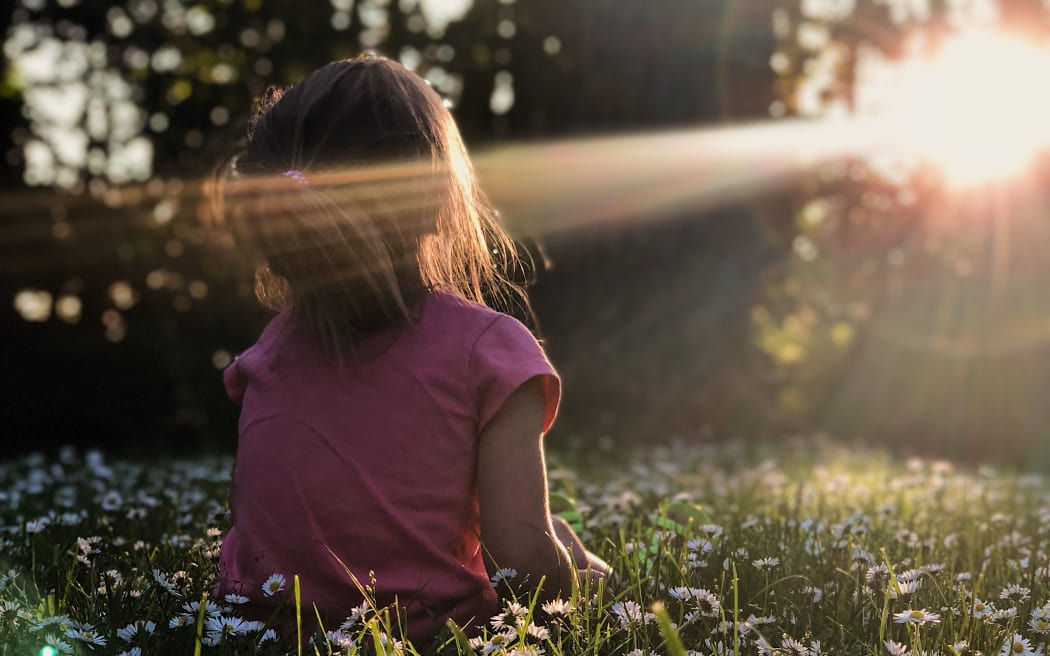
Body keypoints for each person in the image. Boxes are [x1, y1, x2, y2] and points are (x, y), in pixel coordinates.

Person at [210, 54, 612, 643]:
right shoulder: (489, 352)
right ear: (431, 202)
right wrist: (588, 584)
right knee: (558, 543)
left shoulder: (267, 355)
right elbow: (522, 563)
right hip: (427, 640)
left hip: (258, 635)